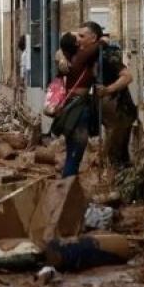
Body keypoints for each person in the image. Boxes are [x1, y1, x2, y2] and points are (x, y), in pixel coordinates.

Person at [56, 22, 106, 177]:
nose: (79, 39)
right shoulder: (82, 56)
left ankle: (65, 188)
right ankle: (66, 191)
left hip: (70, 106)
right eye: (78, 37)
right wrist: (102, 39)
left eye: (81, 35)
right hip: (79, 109)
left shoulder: (69, 56)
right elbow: (101, 43)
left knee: (72, 151)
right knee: (75, 155)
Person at [95, 34, 136, 169]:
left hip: (120, 110)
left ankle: (120, 184)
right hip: (110, 113)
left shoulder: (107, 56)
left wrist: (108, 90)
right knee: (115, 153)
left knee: (117, 153)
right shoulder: (89, 58)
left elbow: (127, 77)